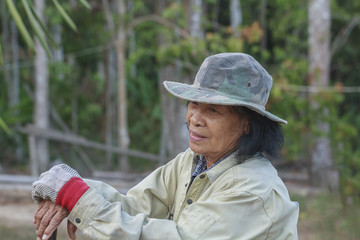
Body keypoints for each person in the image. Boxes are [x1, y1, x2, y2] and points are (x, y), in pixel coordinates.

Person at [33, 52, 299, 240]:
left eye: (213, 110)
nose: (195, 118)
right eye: (193, 104)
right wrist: (68, 192)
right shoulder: (192, 162)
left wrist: (76, 198)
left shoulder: (254, 191)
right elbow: (134, 207)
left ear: (247, 125)